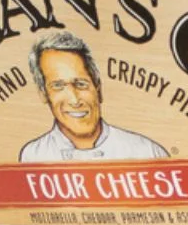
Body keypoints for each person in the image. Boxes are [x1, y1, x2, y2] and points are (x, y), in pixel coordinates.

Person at [18, 32, 168, 162]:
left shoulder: (147, 152)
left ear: (98, 88)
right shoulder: (32, 156)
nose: (75, 100)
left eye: (81, 84)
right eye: (58, 86)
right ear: (43, 94)